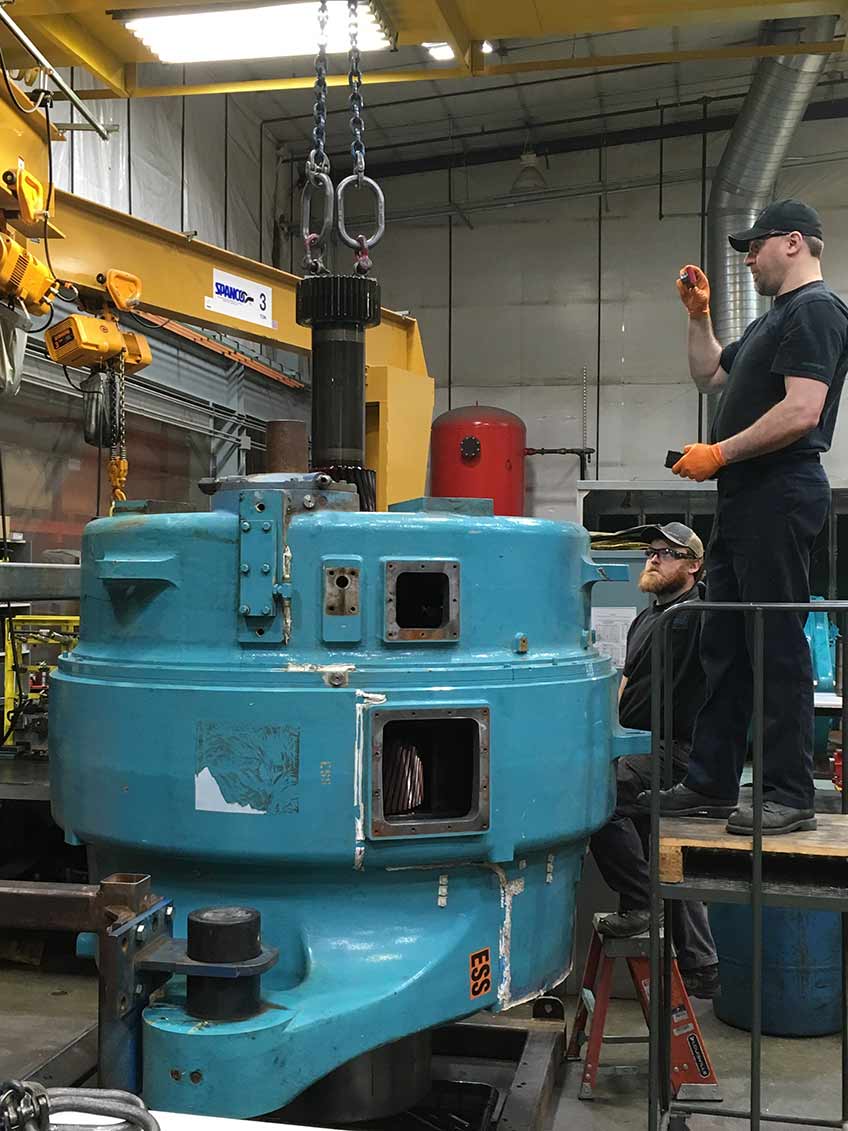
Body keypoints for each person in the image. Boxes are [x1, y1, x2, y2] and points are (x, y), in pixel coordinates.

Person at [652, 200, 848, 835]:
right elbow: (708, 372)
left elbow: (802, 411)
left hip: (780, 490)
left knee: (773, 642)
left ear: (793, 243)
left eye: (754, 246)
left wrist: (721, 452)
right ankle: (711, 782)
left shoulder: (816, 311)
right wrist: (699, 316)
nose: (747, 258)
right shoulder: (773, 321)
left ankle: (787, 792)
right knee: (726, 642)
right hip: (743, 497)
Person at [591, 523, 719, 998]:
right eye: (650, 551)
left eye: (667, 553)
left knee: (600, 795)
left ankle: (644, 904)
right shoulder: (647, 618)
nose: (653, 558)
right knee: (657, 846)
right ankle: (700, 963)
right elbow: (629, 680)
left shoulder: (702, 614)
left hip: (676, 748)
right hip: (638, 742)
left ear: (693, 565)